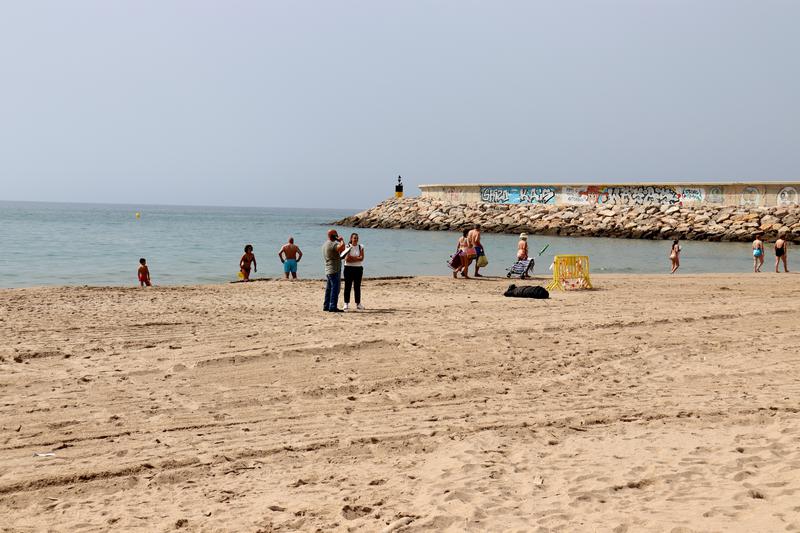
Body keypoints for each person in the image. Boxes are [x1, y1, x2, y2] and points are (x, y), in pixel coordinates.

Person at [322, 229, 346, 312]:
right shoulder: (332, 244)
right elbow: (342, 247)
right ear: (333, 235)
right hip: (334, 269)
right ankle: (332, 306)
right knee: (335, 289)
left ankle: (326, 305)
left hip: (328, 269)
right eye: (336, 234)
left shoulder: (325, 244)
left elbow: (338, 251)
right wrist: (341, 240)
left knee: (329, 289)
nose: (337, 235)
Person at [343, 233, 365, 311]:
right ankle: (346, 304)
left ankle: (358, 304)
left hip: (358, 269)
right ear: (351, 238)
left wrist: (353, 258)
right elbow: (347, 259)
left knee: (357, 287)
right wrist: (357, 258)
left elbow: (362, 258)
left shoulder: (360, 247)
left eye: (356, 238)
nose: (355, 239)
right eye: (354, 238)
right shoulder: (347, 246)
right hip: (348, 269)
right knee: (347, 287)